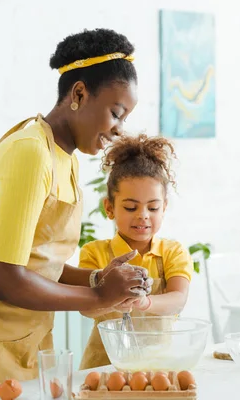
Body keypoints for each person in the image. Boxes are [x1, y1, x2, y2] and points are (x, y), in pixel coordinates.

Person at [0, 28, 151, 399]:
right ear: (78, 93)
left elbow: (40, 264)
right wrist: (98, 298)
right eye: (116, 113)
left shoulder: (67, 160)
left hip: (24, 340)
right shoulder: (31, 151)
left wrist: (96, 280)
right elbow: (2, 278)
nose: (119, 130)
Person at [77, 134, 193, 369]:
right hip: (103, 367)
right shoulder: (94, 252)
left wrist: (145, 303)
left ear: (164, 208)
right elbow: (86, 308)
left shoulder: (173, 252)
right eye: (131, 207)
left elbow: (178, 300)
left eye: (153, 207)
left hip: (159, 366)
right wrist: (110, 301)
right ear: (109, 207)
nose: (143, 215)